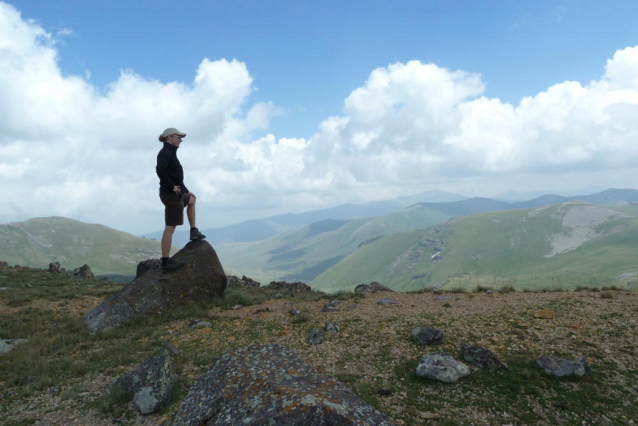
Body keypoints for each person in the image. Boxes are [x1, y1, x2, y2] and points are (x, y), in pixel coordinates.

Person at [156, 127, 206, 272]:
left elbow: (175, 175)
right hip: (170, 195)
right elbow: (160, 170)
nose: (181, 140)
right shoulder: (165, 152)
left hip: (176, 193)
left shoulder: (171, 153)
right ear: (169, 138)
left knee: (191, 200)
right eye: (178, 137)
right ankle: (165, 262)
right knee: (170, 227)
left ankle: (193, 231)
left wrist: (185, 191)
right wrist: (172, 187)